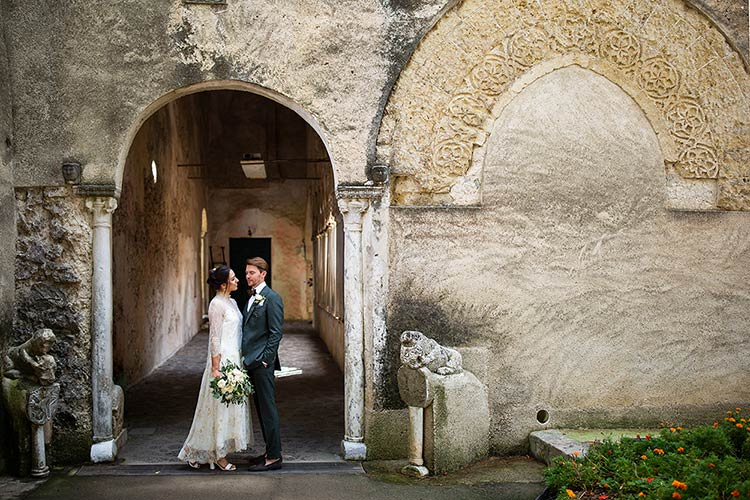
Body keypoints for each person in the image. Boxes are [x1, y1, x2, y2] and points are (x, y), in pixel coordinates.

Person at [178, 265, 251, 471]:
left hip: (235, 359)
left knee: (227, 409)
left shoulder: (233, 302)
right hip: (222, 361)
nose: (237, 280)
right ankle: (218, 456)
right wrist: (216, 368)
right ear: (223, 284)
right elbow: (215, 337)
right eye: (233, 278)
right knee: (217, 409)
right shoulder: (216, 305)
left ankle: (198, 451)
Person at [242, 257, 284, 471]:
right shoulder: (252, 298)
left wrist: (266, 359)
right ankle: (269, 451)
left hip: (262, 364)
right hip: (250, 362)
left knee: (268, 409)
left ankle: (274, 457)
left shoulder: (272, 298)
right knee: (260, 409)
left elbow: (276, 333)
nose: (247, 276)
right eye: (247, 273)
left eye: (252, 273)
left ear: (263, 274)